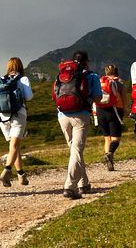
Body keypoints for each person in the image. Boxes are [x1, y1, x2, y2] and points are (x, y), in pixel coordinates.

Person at [53, 50, 102, 199]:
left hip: (62, 116)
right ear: (86, 61)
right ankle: (70, 187)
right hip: (81, 115)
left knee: (75, 151)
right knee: (77, 151)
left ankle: (83, 183)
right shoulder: (91, 76)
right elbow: (98, 98)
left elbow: (55, 95)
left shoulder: (61, 75)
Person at [0, 57, 34, 186]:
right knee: (15, 146)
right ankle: (6, 172)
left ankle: (21, 175)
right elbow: (29, 96)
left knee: (13, 146)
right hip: (18, 114)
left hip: (3, 116)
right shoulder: (23, 79)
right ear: (20, 66)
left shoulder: (1, 79)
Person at [95, 64, 126, 170]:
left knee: (107, 138)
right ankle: (110, 153)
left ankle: (109, 162)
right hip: (115, 111)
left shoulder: (100, 81)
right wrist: (125, 109)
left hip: (100, 111)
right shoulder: (119, 82)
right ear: (117, 71)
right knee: (116, 139)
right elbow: (124, 98)